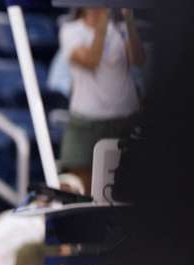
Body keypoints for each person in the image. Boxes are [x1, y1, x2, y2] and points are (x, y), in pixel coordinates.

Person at [59, 8, 145, 193]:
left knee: (125, 189)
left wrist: (129, 20)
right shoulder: (71, 30)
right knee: (83, 188)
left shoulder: (120, 29)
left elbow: (138, 60)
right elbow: (91, 60)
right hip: (86, 121)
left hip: (123, 120)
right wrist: (102, 25)